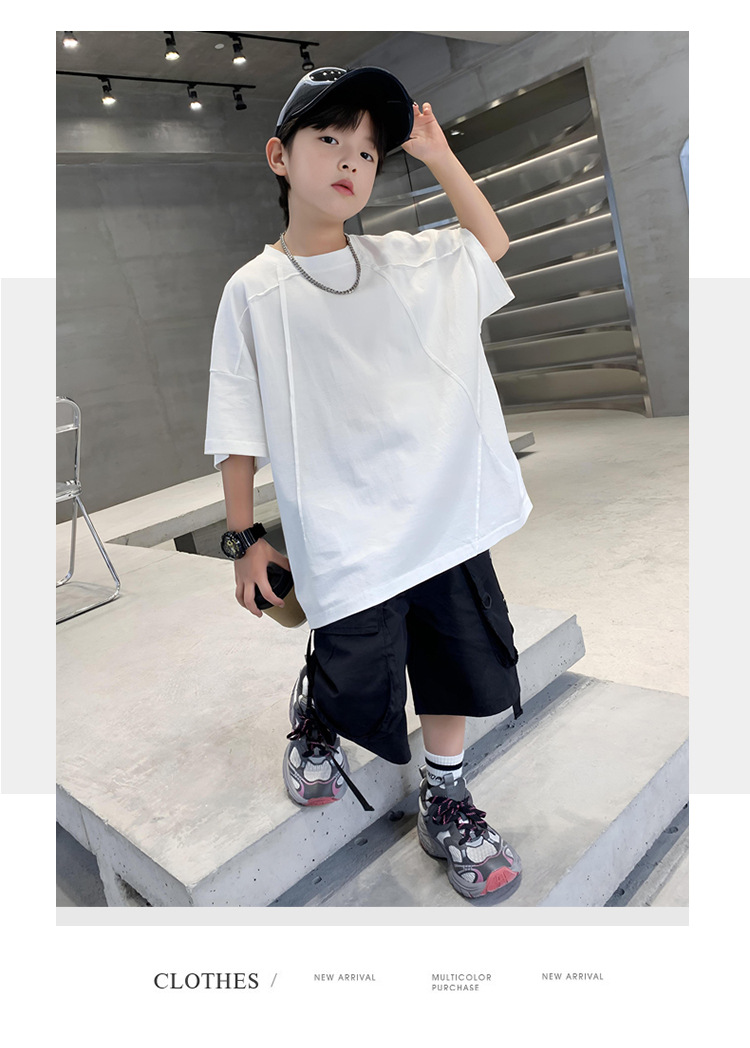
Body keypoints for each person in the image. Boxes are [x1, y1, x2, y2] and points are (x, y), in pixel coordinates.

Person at [204, 66, 533, 901]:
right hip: (344, 530)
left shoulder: (405, 259)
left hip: (438, 514)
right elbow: (235, 422)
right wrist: (244, 540)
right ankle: (318, 709)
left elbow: (490, 246)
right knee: (358, 672)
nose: (352, 159)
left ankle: (446, 795)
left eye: (369, 150)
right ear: (279, 156)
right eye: (329, 139)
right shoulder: (253, 291)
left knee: (458, 662)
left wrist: (440, 156)